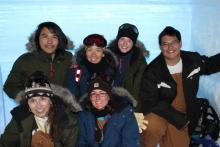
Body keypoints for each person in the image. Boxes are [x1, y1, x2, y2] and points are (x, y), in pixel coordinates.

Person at [140, 26, 220, 147]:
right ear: (160, 46)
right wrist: (177, 118)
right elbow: (150, 100)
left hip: (184, 111)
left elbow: (209, 65)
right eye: (165, 44)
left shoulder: (192, 60)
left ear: (180, 43)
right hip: (160, 111)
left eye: (174, 42)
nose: (170, 47)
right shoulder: (153, 70)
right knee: (152, 126)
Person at [0, 71, 80, 147]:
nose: (38, 105)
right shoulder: (20, 118)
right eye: (32, 100)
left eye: (42, 98)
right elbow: (4, 144)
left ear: (51, 101)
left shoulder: (67, 121)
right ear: (28, 104)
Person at [4, 21, 74, 99]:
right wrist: (29, 100)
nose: (49, 41)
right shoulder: (25, 60)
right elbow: (10, 86)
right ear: (37, 39)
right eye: (45, 37)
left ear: (59, 39)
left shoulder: (68, 58)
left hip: (63, 109)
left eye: (54, 37)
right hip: (35, 110)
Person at [108, 23, 149, 133]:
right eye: (122, 39)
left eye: (129, 41)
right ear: (117, 40)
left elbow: (139, 88)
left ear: (134, 43)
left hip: (128, 105)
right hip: (107, 103)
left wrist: (135, 111)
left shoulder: (139, 61)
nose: (125, 44)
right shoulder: (107, 55)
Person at [76, 77, 140, 147]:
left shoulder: (123, 113)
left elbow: (130, 143)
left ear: (109, 97)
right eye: (93, 93)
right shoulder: (84, 114)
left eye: (102, 93)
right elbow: (81, 142)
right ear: (89, 98)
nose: (97, 97)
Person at [66, 34, 118, 100]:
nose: (93, 55)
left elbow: (116, 96)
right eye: (90, 50)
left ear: (103, 53)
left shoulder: (112, 71)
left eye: (98, 50)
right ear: (85, 52)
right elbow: (71, 99)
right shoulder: (75, 72)